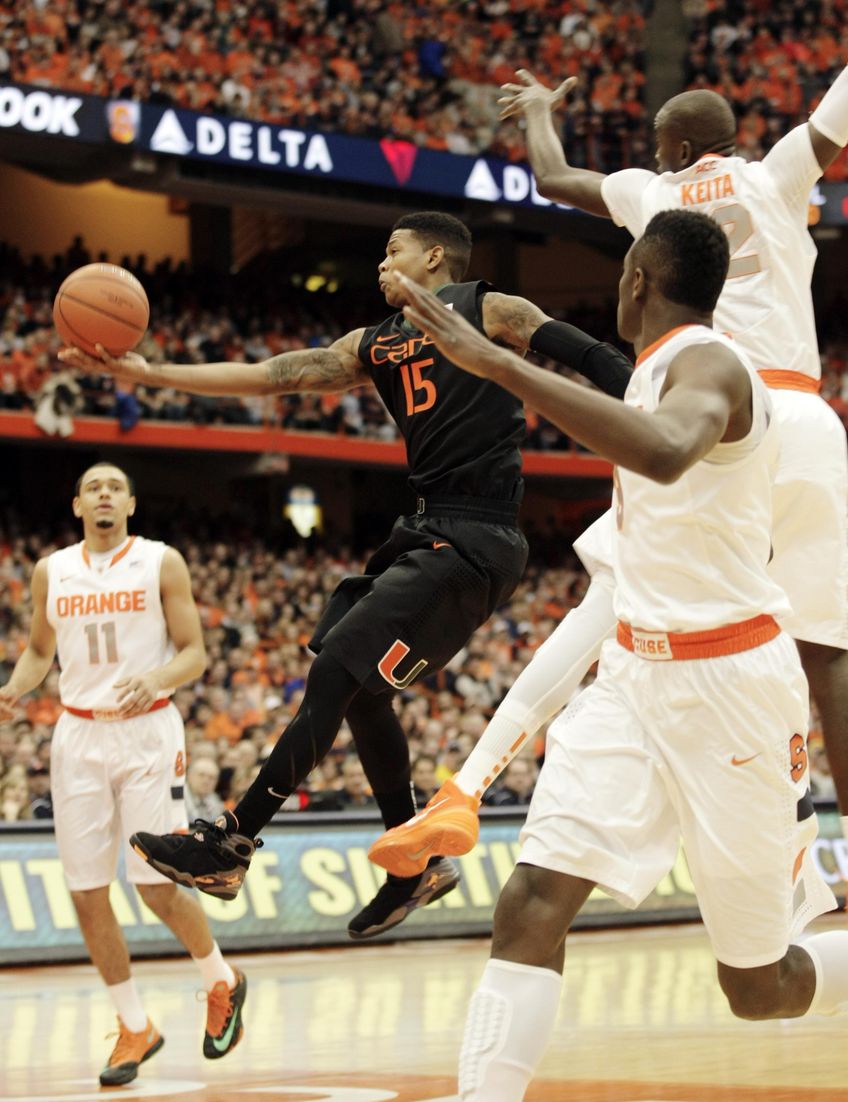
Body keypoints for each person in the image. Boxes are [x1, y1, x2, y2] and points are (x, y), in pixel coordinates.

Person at [373, 13, 848, 933]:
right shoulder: (778, 171)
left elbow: (553, 176)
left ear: (674, 146)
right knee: (818, 659)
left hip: (716, 402)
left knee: (613, 598)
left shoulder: (654, 194)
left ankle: (468, 786)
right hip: (808, 418)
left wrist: (536, 111)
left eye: (656, 139)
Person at [389, 211, 848, 1102]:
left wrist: (501, 363)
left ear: (638, 281)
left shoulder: (711, 365)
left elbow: (662, 453)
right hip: (632, 678)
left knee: (757, 988)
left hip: (732, 689)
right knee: (532, 901)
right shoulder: (651, 371)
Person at [60, 211, 632, 940]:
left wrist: (660, 411)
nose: (380, 263)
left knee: (336, 668)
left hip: (478, 535)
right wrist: (152, 372)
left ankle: (230, 844)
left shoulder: (490, 308)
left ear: (434, 257)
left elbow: (593, 357)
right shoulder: (376, 342)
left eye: (392, 251)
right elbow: (274, 376)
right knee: (361, 698)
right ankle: (412, 867)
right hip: (425, 531)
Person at [0, 462, 246, 1086]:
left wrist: (157, 678)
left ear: (130, 504)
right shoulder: (49, 571)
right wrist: (15, 688)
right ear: (78, 504)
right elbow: (38, 650)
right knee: (86, 893)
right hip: (77, 734)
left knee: (156, 882)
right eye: (92, 488)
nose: (104, 495)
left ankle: (222, 978)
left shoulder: (162, 561)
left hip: (147, 732)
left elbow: (193, 653)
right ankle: (135, 1025)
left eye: (114, 487)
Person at [185, 755, 225, 823]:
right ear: (189, 776)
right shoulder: (178, 800)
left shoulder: (216, 802)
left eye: (211, 778)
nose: (206, 781)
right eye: (201, 775)